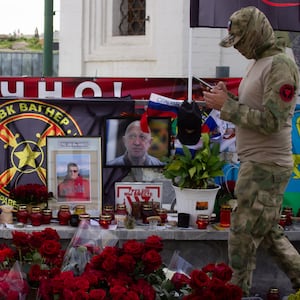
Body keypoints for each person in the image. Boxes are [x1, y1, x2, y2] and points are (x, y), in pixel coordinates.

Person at [203, 6, 300, 296]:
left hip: (265, 165)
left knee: (243, 236)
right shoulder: (259, 62)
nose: (239, 50)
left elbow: (272, 121)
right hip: (257, 163)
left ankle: (237, 291)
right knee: (267, 233)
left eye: (241, 41)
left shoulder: (280, 65)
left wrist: (227, 106)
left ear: (255, 35)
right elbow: (258, 107)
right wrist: (228, 97)